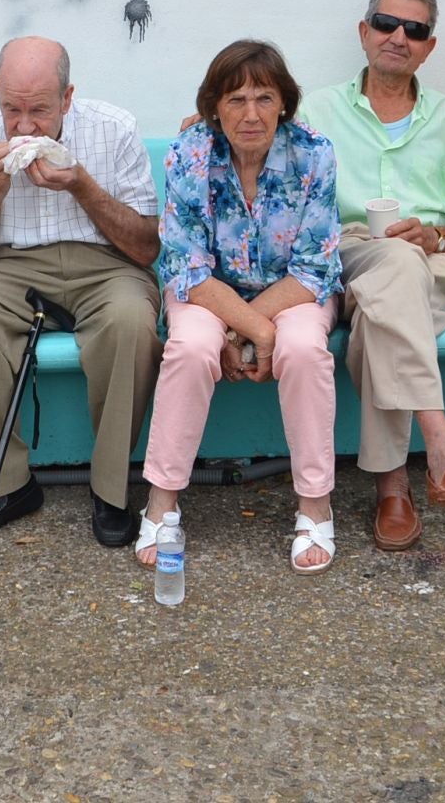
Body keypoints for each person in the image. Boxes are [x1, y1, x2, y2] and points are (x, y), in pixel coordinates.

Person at [295, 0, 445, 553]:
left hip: (429, 261)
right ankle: (439, 446)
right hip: (347, 254)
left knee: (382, 308)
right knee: (393, 270)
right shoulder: (317, 110)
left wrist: (433, 235)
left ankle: (394, 485)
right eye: (386, 24)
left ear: (429, 47)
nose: (398, 37)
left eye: (415, 30)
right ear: (365, 33)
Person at [0, 38, 162, 547]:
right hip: (11, 267)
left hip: (107, 266)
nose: (23, 127)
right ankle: (5, 488)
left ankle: (111, 490)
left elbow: (145, 248)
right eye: (11, 109)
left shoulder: (115, 128)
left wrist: (82, 186)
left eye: (39, 110)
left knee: (130, 321)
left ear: (67, 97)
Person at [142, 40, 343, 574]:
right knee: (190, 347)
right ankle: (161, 503)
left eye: (264, 98)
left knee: (304, 348)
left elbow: (314, 266)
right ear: (214, 106)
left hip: (293, 289)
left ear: (284, 104)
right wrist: (254, 329)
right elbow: (186, 266)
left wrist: (249, 330)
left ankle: (315, 506)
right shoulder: (189, 152)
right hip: (209, 289)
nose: (251, 114)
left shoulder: (314, 153)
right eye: (236, 99)